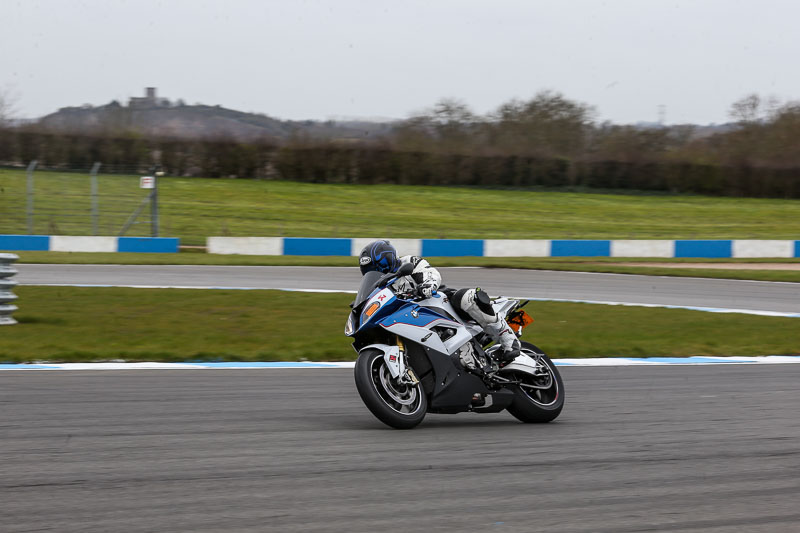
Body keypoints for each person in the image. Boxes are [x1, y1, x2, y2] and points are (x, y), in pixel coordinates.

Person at [358, 240, 520, 364]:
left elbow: (431, 273)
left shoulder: (408, 263)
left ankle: (508, 340)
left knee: (466, 297)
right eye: (371, 270)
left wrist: (427, 285)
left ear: (389, 257)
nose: (377, 271)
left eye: (379, 265)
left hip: (440, 304)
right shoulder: (380, 288)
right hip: (413, 318)